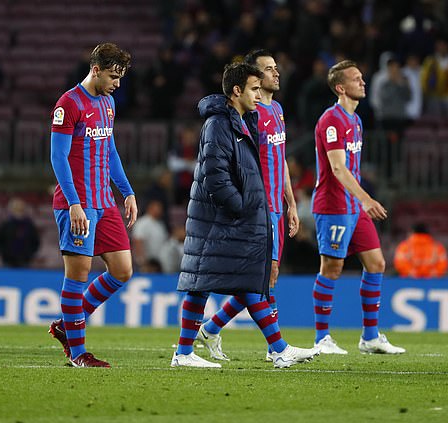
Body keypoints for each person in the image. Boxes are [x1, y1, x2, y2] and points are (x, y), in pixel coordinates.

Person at [171, 62, 319, 368]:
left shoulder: (244, 120)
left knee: (240, 280)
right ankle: (189, 352)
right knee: (214, 282)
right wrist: (240, 205)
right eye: (254, 88)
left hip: (234, 215)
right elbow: (215, 175)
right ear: (236, 91)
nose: (258, 93)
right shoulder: (219, 124)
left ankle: (267, 347)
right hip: (219, 217)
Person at [197, 49, 300, 362]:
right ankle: (276, 348)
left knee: (269, 276)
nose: (276, 73)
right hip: (256, 205)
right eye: (269, 69)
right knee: (263, 277)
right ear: (254, 77)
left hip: (276, 207)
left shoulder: (278, 110)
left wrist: (291, 202)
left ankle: (211, 328)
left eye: (276, 67)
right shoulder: (250, 116)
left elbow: (280, 160)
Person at [47, 43, 137, 368]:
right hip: (78, 203)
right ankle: (78, 352)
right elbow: (58, 156)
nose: (117, 83)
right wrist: (73, 203)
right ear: (96, 70)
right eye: (113, 76)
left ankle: (66, 326)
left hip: (105, 201)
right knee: (79, 274)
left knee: (123, 270)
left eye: (120, 77)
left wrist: (126, 191)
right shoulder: (68, 104)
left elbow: (110, 151)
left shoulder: (109, 103)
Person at [311, 60, 405, 355]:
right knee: (332, 267)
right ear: (341, 87)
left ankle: (370, 337)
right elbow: (338, 169)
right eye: (356, 79)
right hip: (334, 205)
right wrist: (367, 198)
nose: (363, 82)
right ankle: (322, 338)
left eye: (362, 77)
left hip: (354, 206)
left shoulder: (357, 121)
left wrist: (360, 201)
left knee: (376, 264)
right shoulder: (331, 120)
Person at [0, 197, 40, 268]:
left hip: (25, 262)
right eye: (16, 207)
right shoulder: (5, 225)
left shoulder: (29, 225)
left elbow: (36, 242)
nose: (19, 209)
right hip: (8, 262)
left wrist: (29, 254)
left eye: (21, 207)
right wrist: (4, 254)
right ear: (11, 209)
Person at [131, 199, 169, 269]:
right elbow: (137, 241)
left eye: (160, 208)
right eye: (157, 207)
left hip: (159, 263)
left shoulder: (160, 224)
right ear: (150, 208)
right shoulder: (142, 223)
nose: (160, 210)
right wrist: (142, 261)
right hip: (147, 263)